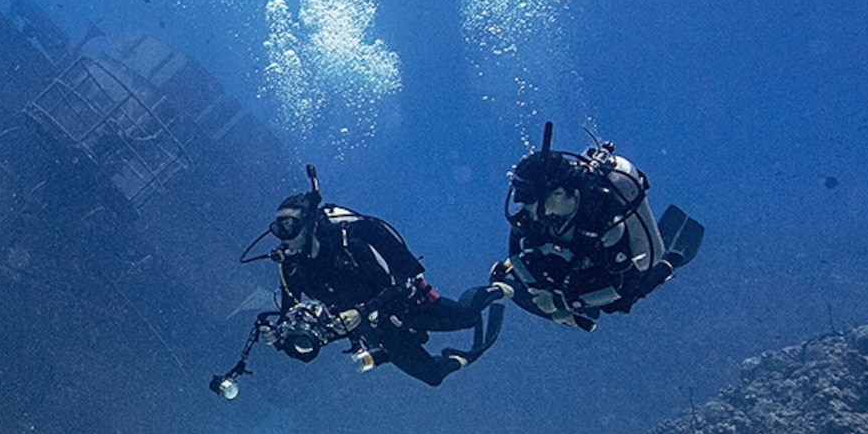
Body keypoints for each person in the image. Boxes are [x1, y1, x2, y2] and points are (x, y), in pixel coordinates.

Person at [212, 167, 505, 394]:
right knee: (432, 377)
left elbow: (402, 283)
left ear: (311, 223)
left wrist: (363, 310)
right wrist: (278, 336)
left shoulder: (350, 244)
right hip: (376, 329)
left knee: (467, 318)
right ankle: (456, 358)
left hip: (407, 304)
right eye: (278, 227)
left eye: (290, 226)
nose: (283, 235)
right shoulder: (291, 267)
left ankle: (497, 287)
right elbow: (293, 320)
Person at [490, 122, 704, 329]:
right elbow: (516, 252)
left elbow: (620, 286)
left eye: (530, 203)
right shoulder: (533, 214)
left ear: (557, 195)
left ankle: (670, 261)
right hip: (574, 257)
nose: (525, 211)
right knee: (515, 271)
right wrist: (539, 290)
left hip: (609, 262)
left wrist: (561, 304)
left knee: (623, 299)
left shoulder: (601, 214)